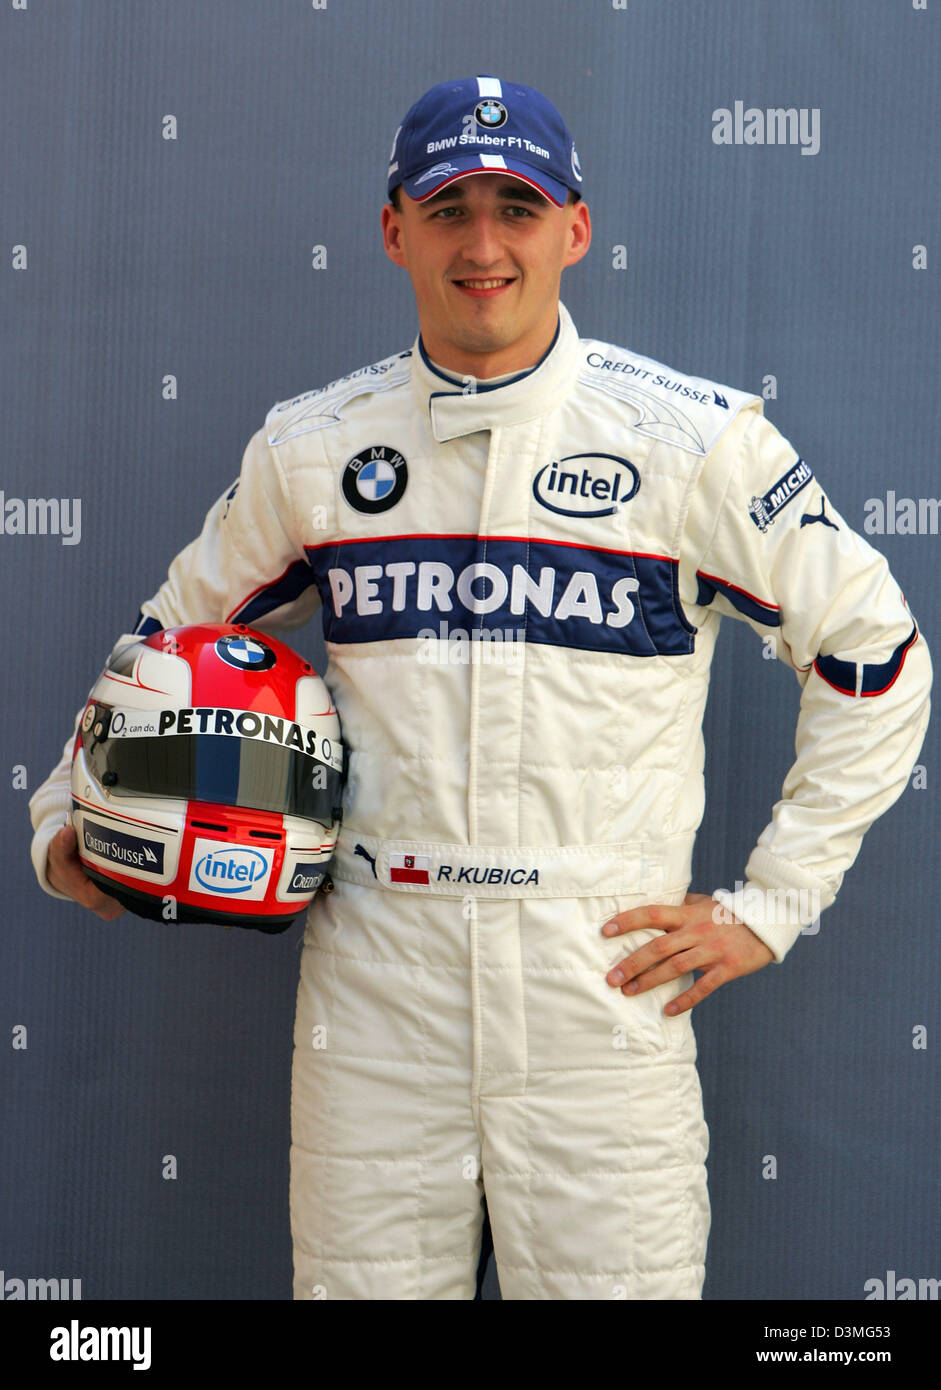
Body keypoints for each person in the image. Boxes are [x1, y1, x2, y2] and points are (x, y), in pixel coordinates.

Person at [29, 74, 931, 1301]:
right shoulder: (313, 450)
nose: (484, 245)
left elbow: (875, 653)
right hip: (374, 1013)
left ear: (576, 228)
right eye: (448, 208)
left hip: (599, 999)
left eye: (518, 207)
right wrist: (67, 817)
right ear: (393, 229)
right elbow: (161, 645)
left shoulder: (694, 444)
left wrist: (770, 903)